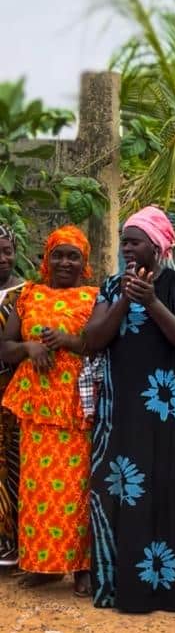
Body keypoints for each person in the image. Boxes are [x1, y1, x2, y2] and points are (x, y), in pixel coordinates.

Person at [85, 206, 175, 613]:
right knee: (119, 493)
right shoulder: (112, 286)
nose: (127, 249)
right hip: (117, 412)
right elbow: (92, 340)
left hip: (165, 413)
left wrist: (150, 301)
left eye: (134, 241)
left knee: (164, 490)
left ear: (157, 244)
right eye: (125, 242)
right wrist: (123, 301)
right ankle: (118, 588)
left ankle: (164, 591)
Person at [0, 226, 98, 595]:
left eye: (73, 256)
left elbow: (101, 343)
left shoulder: (94, 297)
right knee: (36, 489)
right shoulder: (28, 295)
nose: (64, 262)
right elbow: (5, 346)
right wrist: (29, 348)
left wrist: (71, 341)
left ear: (84, 262)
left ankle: (82, 566)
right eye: (58, 254)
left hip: (74, 403)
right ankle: (43, 565)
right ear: (46, 258)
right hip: (36, 403)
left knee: (78, 488)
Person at [0, 226, 24, 566]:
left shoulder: (25, 294)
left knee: (14, 464)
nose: (3, 258)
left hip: (13, 393)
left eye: (7, 250)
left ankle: (13, 542)